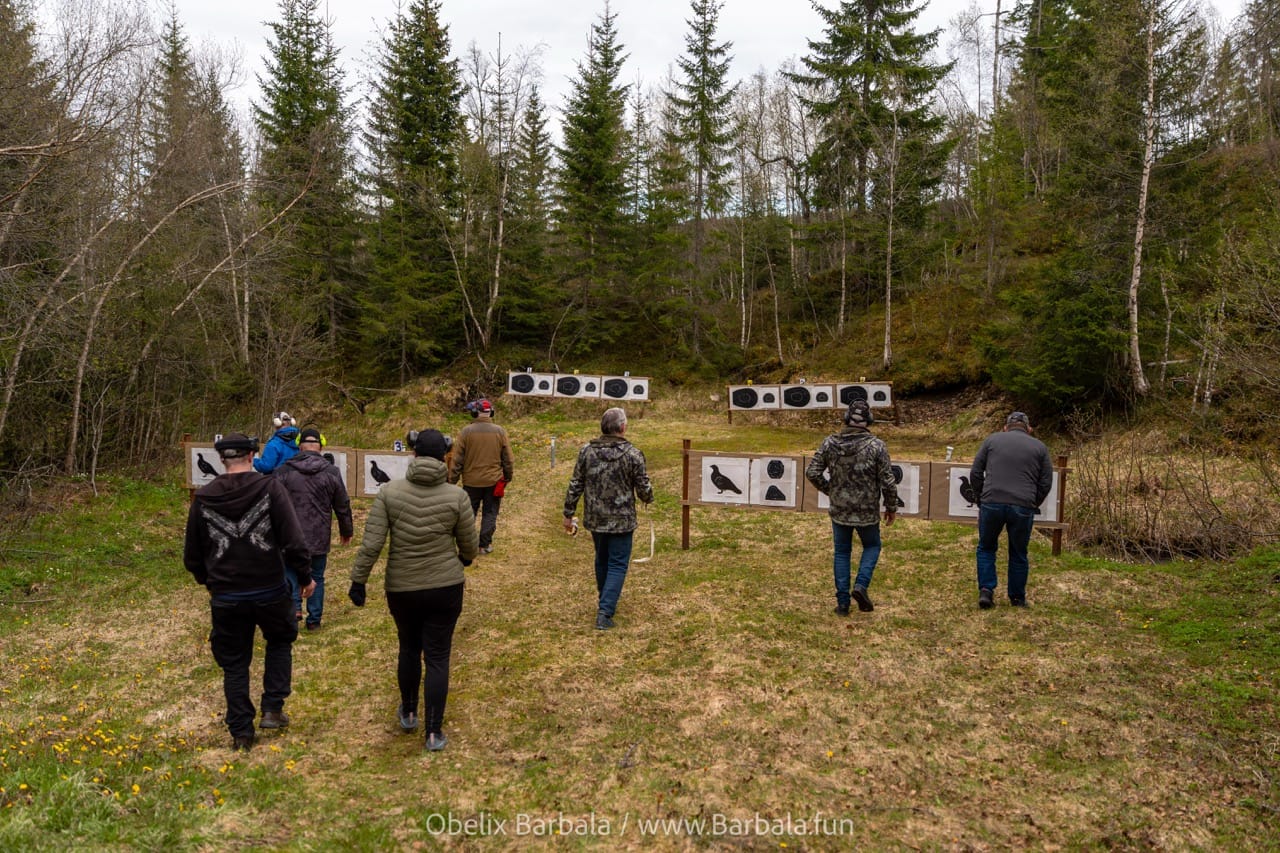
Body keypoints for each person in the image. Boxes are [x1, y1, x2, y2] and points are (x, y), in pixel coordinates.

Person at [182, 432, 314, 751]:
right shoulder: (271, 488)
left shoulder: (203, 498)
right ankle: (273, 707)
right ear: (253, 456)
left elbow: (192, 556)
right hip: (270, 587)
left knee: (235, 662)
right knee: (280, 642)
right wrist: (305, 576)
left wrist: (210, 582)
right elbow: (293, 540)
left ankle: (241, 731)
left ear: (221, 459)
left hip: (227, 595)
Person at [350, 429, 478, 751]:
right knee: (437, 657)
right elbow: (469, 545)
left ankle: (408, 712)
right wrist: (464, 558)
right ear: (444, 457)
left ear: (414, 455)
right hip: (445, 586)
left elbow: (372, 543)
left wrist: (358, 580)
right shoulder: (457, 496)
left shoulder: (390, 493)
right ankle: (433, 733)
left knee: (408, 649)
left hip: (402, 588)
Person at [562, 407, 654, 631]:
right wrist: (648, 497)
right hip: (622, 520)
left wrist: (568, 511)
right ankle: (605, 611)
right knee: (617, 564)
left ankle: (606, 599)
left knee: (602, 559)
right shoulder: (633, 454)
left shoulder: (586, 451)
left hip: (596, 518)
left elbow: (576, 483)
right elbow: (644, 489)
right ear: (622, 428)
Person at [804, 399, 899, 615]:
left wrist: (832, 490)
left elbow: (812, 472)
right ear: (869, 421)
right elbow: (888, 481)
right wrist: (891, 506)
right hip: (867, 510)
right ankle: (861, 586)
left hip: (840, 510)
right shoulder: (877, 446)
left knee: (842, 552)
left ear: (846, 419)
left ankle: (843, 603)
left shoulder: (830, 443)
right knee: (872, 546)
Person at [969, 411, 1054, 609]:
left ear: (1005, 427)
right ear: (1029, 429)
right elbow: (1046, 482)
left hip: (992, 501)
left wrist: (981, 497)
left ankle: (986, 590)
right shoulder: (1040, 447)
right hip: (1023, 504)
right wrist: (1033, 502)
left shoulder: (991, 440)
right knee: (1018, 552)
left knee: (986, 547)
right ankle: (1017, 598)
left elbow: (975, 472)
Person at [274, 427, 354, 630]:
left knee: (290, 573)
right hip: (319, 534)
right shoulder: (331, 472)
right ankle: (314, 621)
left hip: (290, 535)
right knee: (317, 576)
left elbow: (272, 503)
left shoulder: (283, 471)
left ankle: (295, 611)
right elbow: (342, 504)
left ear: (299, 445)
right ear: (321, 446)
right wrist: (346, 530)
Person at [448, 399, 513, 555]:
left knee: (468, 515)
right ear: (491, 413)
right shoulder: (500, 431)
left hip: (471, 482)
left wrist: (451, 480)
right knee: (490, 513)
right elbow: (508, 458)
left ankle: (467, 546)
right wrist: (507, 476)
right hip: (494, 481)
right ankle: (484, 545)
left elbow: (457, 459)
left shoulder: (466, 432)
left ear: (474, 413)